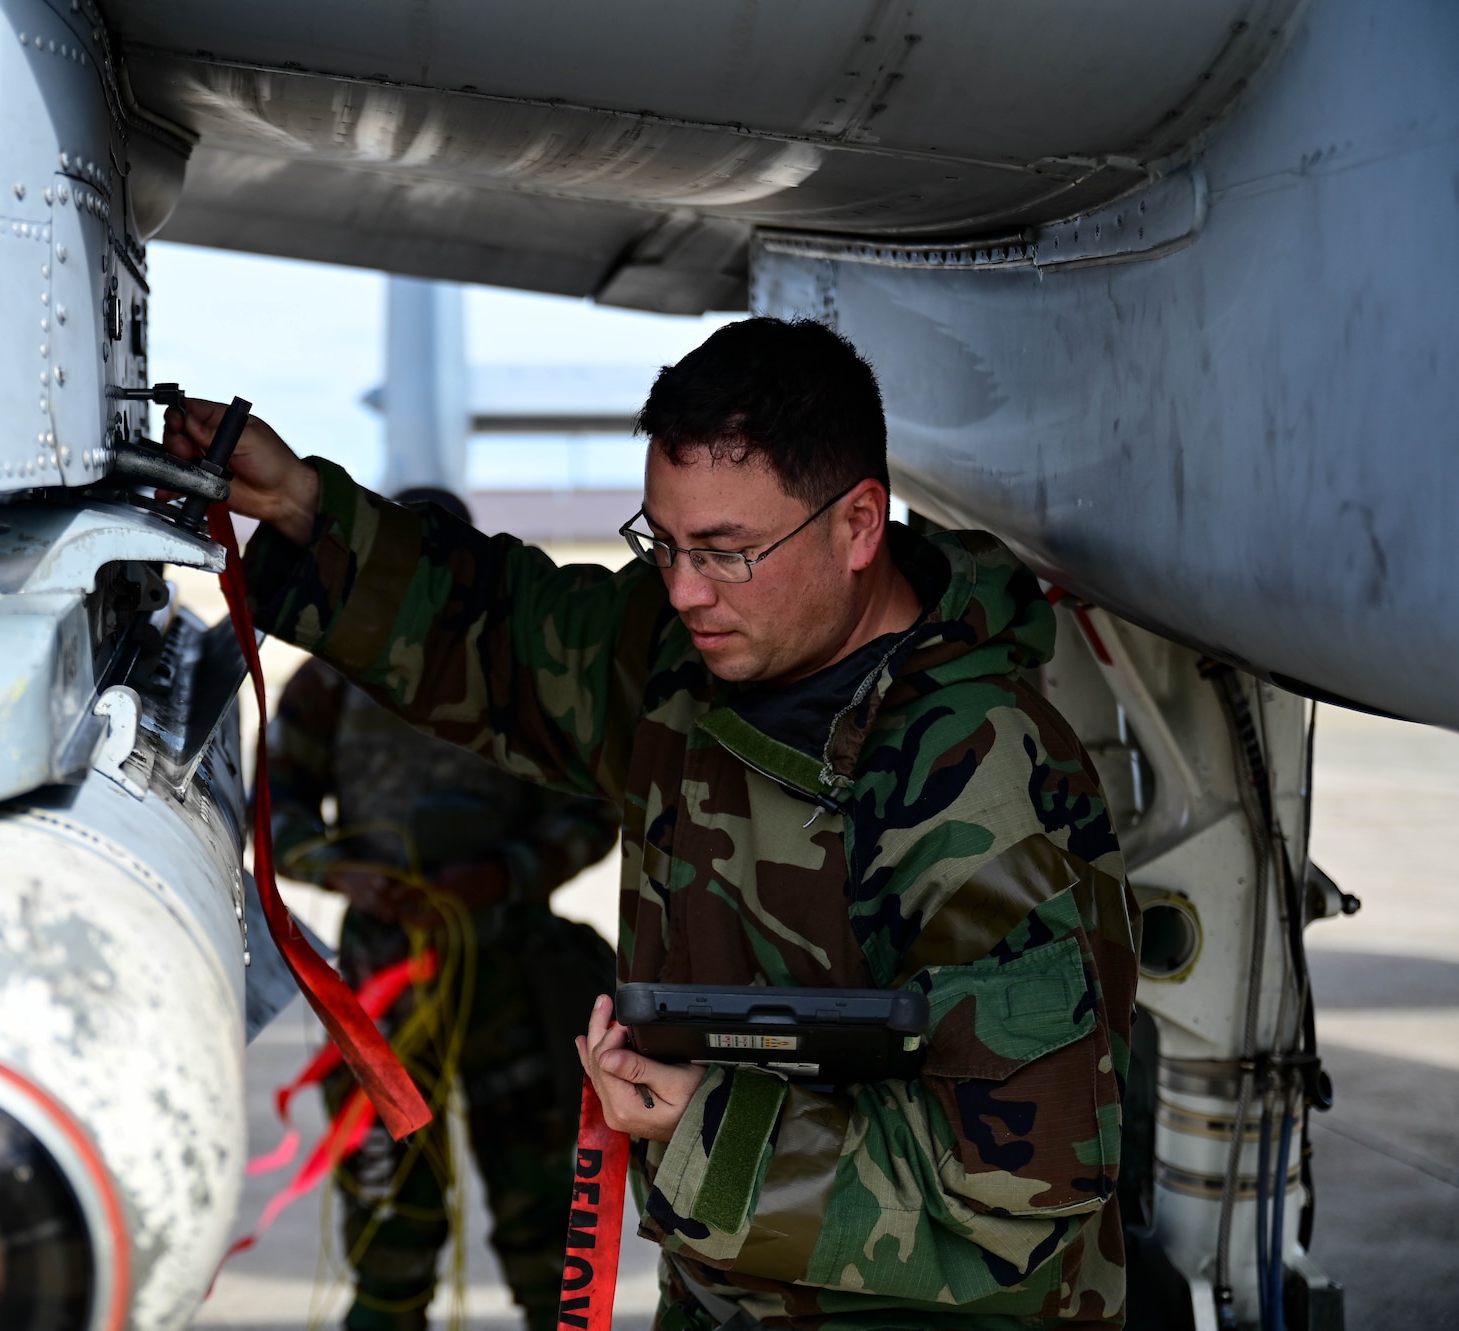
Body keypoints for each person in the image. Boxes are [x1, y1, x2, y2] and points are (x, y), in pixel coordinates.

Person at [175, 319, 1139, 1328]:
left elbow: (1017, 1182)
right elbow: (500, 637)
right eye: (661, 543)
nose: (681, 589)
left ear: (857, 526)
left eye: (724, 552)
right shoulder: (692, 653)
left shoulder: (974, 781)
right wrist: (301, 507)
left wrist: (702, 1134)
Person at [267, 486, 622, 1331]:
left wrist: (500, 878)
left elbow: (596, 809)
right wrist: (345, 872)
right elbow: (271, 813)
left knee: (551, 1237)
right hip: (381, 991)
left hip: (518, 979)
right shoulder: (330, 682)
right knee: (392, 1228)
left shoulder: (529, 675)